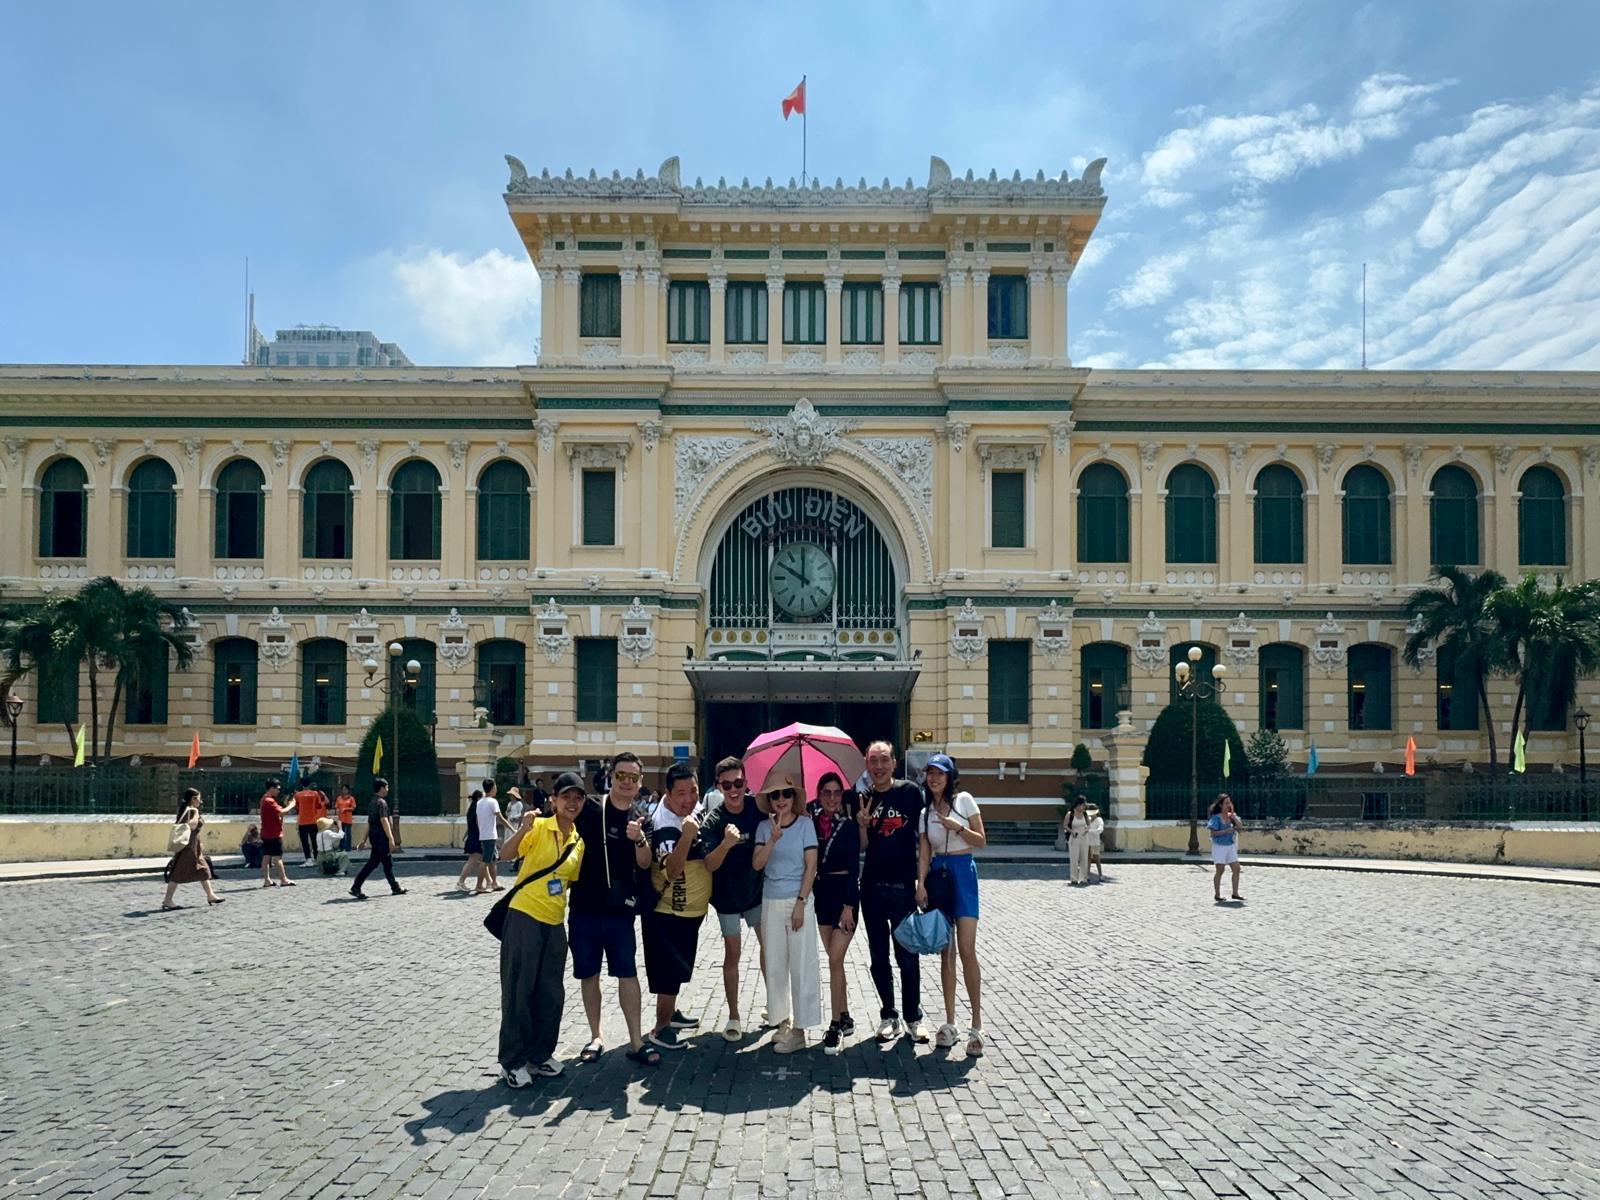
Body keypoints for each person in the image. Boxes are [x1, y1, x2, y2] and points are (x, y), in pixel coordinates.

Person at [567, 754, 661, 1068]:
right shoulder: (591, 809)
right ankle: (596, 1035)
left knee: (627, 973)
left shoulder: (640, 816)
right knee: (588, 975)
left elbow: (646, 863)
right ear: (612, 776)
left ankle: (636, 1041)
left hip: (620, 912)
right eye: (621, 775)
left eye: (633, 777)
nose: (626, 782)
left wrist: (639, 840)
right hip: (584, 908)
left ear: (640, 782)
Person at [642, 762, 743, 1052]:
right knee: (668, 971)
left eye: (694, 791)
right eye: (682, 793)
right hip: (669, 912)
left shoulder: (691, 811)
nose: (690, 799)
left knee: (678, 967)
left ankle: (670, 1014)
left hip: (688, 911)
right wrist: (687, 837)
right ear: (668, 794)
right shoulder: (663, 826)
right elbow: (672, 871)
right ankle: (661, 1028)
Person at [496, 775, 586, 1086]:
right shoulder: (537, 827)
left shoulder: (578, 841)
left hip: (554, 920)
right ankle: (512, 1060)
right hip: (525, 914)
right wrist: (522, 827)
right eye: (566, 797)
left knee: (550, 991)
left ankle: (540, 1054)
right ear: (553, 800)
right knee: (519, 989)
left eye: (578, 797)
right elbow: (506, 855)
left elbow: (567, 882)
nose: (572, 803)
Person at [916, 754, 986, 1057]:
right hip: (938, 876)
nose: (935, 779)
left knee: (967, 949)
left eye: (940, 773)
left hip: (963, 871)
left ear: (949, 776)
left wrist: (956, 827)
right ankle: (949, 1022)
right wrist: (920, 882)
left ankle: (977, 1024)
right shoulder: (924, 812)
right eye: (930, 773)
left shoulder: (965, 800)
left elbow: (981, 840)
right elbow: (924, 850)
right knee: (946, 951)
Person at [856, 740, 926, 1044]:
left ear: (894, 763)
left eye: (884, 760)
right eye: (873, 760)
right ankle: (889, 1015)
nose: (879, 766)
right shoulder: (863, 798)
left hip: (903, 888)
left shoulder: (910, 793)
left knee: (908, 956)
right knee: (878, 957)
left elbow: (924, 839)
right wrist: (861, 825)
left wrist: (921, 881)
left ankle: (913, 1017)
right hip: (871, 888)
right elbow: (863, 846)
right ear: (866, 763)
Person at [697, 756, 767, 1040]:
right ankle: (734, 1016)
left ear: (746, 782)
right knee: (733, 954)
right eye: (727, 785)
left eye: (738, 782)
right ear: (718, 787)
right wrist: (726, 844)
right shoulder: (713, 820)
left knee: (770, 949)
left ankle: (775, 1005)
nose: (734, 789)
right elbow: (710, 864)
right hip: (726, 897)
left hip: (756, 892)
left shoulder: (756, 808)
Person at [751, 774, 820, 1054]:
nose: (781, 800)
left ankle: (801, 1029)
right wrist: (773, 840)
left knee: (802, 964)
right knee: (775, 964)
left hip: (797, 899)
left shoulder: (805, 825)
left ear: (794, 798)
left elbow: (811, 866)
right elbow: (757, 864)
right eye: (775, 795)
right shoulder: (763, 828)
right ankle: (782, 1022)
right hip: (771, 899)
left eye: (786, 794)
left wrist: (801, 902)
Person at [810, 772, 860, 1056]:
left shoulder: (849, 827)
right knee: (835, 962)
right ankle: (846, 1013)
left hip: (845, 897)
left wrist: (849, 905)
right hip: (822, 896)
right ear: (818, 794)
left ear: (842, 796)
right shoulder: (812, 823)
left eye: (836, 792)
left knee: (834, 958)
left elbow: (855, 868)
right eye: (826, 792)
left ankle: (834, 1024)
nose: (831, 797)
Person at [161, 788, 223, 909]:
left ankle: (211, 895)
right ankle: (167, 900)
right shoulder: (190, 810)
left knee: (203, 870)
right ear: (193, 799)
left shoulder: (189, 810)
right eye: (199, 799)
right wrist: (196, 813)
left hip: (194, 845)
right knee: (178, 872)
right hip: (187, 847)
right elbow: (192, 826)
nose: (201, 801)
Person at [350, 777, 407, 899]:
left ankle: (395, 887)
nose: (388, 789)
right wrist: (391, 838)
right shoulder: (381, 802)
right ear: (381, 788)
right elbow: (384, 820)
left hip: (374, 835)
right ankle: (356, 886)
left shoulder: (372, 802)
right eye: (386, 787)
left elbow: (369, 822)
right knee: (374, 863)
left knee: (386, 863)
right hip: (381, 837)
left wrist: (364, 840)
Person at [474, 780, 512, 893]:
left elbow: (477, 820)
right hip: (489, 835)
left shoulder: (479, 802)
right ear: (492, 788)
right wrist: (513, 829)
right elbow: (501, 818)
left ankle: (494, 883)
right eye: (495, 787)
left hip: (485, 834)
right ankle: (479, 886)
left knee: (494, 860)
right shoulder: (493, 802)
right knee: (485, 861)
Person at [258, 779, 297, 888]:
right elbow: (281, 813)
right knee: (277, 857)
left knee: (266, 856)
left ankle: (267, 880)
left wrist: (285, 804)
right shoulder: (269, 801)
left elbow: (279, 810)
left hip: (266, 832)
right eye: (278, 789)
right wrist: (292, 805)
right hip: (274, 833)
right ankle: (283, 879)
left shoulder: (265, 799)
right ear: (272, 788)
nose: (279, 791)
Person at [1209, 793, 1244, 902]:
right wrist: (1225, 831)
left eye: (1230, 802)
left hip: (1230, 846)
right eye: (1226, 803)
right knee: (1220, 870)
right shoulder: (1216, 818)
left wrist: (1233, 815)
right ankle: (1217, 894)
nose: (1229, 805)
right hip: (1219, 847)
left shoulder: (1231, 816)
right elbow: (1213, 833)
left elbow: (1240, 826)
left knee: (1236, 869)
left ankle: (1235, 893)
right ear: (1220, 805)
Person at [292, 780, 328, 866]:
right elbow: (319, 805)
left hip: (302, 821)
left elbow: (296, 807)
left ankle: (308, 859)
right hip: (312, 820)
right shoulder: (315, 793)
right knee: (314, 841)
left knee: (305, 842)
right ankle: (316, 858)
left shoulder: (297, 795)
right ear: (310, 784)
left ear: (301, 785)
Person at [1064, 795, 1093, 887]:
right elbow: (1065, 825)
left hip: (1084, 837)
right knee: (1074, 859)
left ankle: (1083, 878)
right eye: (1083, 805)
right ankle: (1074, 878)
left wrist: (1087, 829)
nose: (1084, 807)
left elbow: (1088, 824)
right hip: (1074, 838)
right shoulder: (1070, 814)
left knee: (1084, 858)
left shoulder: (1085, 814)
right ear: (1078, 804)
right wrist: (1072, 832)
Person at [334, 784, 357, 851]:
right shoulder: (339, 798)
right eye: (343, 789)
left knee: (348, 833)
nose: (344, 791)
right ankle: (341, 847)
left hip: (348, 818)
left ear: (348, 790)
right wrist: (337, 810)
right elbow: (336, 806)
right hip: (341, 818)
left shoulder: (351, 798)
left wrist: (346, 809)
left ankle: (348, 847)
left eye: (345, 789)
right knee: (341, 833)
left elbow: (353, 808)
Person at [1086, 803, 1105, 881]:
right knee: (1088, 859)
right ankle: (1087, 875)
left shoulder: (1099, 820)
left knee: (1097, 859)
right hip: (1087, 842)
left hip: (1095, 842)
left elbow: (1100, 829)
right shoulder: (1088, 819)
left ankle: (1100, 875)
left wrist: (1090, 831)